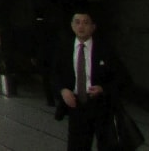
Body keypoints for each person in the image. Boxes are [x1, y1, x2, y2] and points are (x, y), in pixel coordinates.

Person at [53, 8, 127, 151]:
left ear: (93, 27)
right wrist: (63, 90)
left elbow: (123, 78)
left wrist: (103, 88)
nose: (81, 26)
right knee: (77, 145)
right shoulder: (64, 49)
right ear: (72, 25)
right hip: (77, 106)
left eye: (86, 23)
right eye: (77, 22)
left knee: (107, 145)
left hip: (101, 106)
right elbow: (55, 75)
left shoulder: (105, 49)